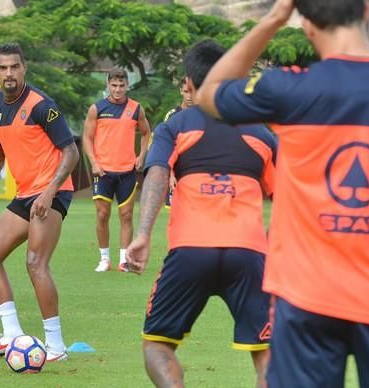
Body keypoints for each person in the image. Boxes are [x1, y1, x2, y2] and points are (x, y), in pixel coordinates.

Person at [196, 1, 369, 387]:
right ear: (367, 10)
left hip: (304, 302)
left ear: (305, 23)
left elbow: (210, 92)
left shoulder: (288, 88)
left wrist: (272, 18)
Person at [126, 40, 277, 388]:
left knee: (157, 345)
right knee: (268, 353)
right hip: (249, 254)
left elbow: (157, 173)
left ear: (189, 85)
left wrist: (144, 233)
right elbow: (288, 195)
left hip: (190, 252)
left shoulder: (176, 126)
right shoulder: (261, 134)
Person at [0, 43, 79, 361]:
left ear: (24, 68)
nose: (9, 73)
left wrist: (50, 190)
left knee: (35, 263)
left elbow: (71, 152)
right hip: (25, 195)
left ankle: (56, 347)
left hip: (53, 192)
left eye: (14, 66)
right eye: (3, 67)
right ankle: (12, 337)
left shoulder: (41, 105)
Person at [82, 68, 151, 272]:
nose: (118, 89)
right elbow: (87, 137)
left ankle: (124, 260)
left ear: (127, 86)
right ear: (108, 85)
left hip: (127, 171)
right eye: (114, 85)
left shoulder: (137, 109)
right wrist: (94, 162)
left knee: (126, 215)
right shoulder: (97, 109)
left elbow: (147, 133)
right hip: (102, 172)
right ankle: (104, 259)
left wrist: (142, 155)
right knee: (102, 214)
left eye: (121, 85)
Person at [161, 78, 194, 208]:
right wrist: (170, 174)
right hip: (176, 174)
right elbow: (167, 147)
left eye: (192, 91)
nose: (190, 96)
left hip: (196, 172)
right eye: (186, 91)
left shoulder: (205, 114)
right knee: (176, 214)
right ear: (181, 91)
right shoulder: (172, 116)